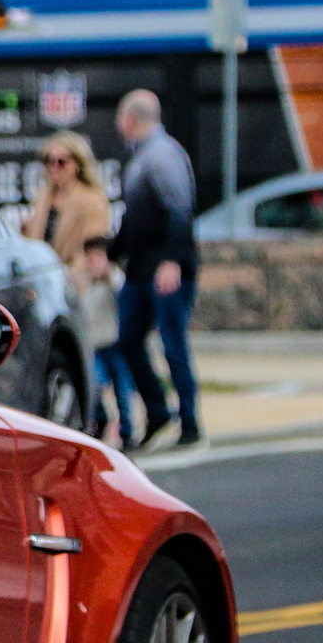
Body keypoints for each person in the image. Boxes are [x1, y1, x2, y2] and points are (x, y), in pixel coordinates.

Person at [108, 88, 201, 448]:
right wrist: (111, 254)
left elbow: (180, 211)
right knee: (128, 340)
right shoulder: (141, 158)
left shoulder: (162, 155)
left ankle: (191, 422)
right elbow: (134, 220)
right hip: (142, 269)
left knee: (172, 343)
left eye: (120, 118)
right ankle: (158, 410)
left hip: (165, 270)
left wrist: (172, 261)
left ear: (130, 119)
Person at [21, 127, 111, 282]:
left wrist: (69, 276)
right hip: (39, 279)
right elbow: (32, 238)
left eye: (61, 162)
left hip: (75, 281)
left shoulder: (92, 199)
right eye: (49, 161)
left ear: (77, 164)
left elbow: (92, 248)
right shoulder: (43, 195)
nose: (54, 167)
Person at [76, 234, 129, 448]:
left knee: (122, 389)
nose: (91, 263)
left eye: (96, 257)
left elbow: (120, 293)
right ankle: (99, 419)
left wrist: (108, 273)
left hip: (115, 343)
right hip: (96, 346)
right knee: (95, 383)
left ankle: (128, 428)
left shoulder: (114, 279)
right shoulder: (86, 285)